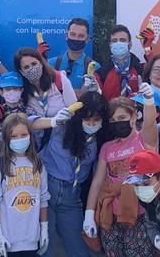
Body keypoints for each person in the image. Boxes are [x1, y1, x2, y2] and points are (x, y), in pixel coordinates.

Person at [84, 87, 159, 257]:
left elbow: (150, 124)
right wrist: (89, 214)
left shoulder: (144, 140)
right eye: (113, 120)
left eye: (122, 118)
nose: (118, 122)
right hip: (111, 217)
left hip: (140, 216)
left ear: (133, 117)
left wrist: (149, 100)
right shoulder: (107, 148)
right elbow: (97, 182)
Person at [34, 91, 105, 257]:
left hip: (71, 196)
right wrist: (52, 121)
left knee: (80, 249)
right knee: (45, 246)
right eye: (87, 119)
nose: (91, 123)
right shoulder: (63, 123)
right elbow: (28, 123)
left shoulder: (101, 137)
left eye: (96, 119)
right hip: (46, 189)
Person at [0, 113, 51, 257]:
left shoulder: (38, 163)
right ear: (6, 139)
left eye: (23, 134)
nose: (19, 139)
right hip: (6, 241)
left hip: (32, 239)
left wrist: (44, 229)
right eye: (13, 136)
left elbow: (43, 199)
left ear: (30, 135)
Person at [13, 47, 77, 130]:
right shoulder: (22, 88)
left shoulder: (59, 79)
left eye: (34, 64)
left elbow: (74, 109)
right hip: (35, 138)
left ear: (41, 63)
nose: (32, 69)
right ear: (21, 72)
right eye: (26, 67)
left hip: (61, 134)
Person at [97, 25, 145, 99]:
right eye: (114, 41)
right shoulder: (101, 73)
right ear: (110, 45)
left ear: (130, 44)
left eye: (122, 40)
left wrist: (148, 50)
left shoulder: (141, 69)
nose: (118, 43)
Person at [47, 18, 95, 92]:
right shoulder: (51, 64)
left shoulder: (93, 66)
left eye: (81, 36)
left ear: (87, 39)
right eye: (72, 34)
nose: (76, 38)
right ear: (66, 35)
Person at [0, 73, 32, 147]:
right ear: (1, 92)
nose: (11, 91)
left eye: (15, 88)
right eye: (7, 89)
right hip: (4, 155)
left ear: (21, 90)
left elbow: (36, 135)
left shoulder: (29, 110)